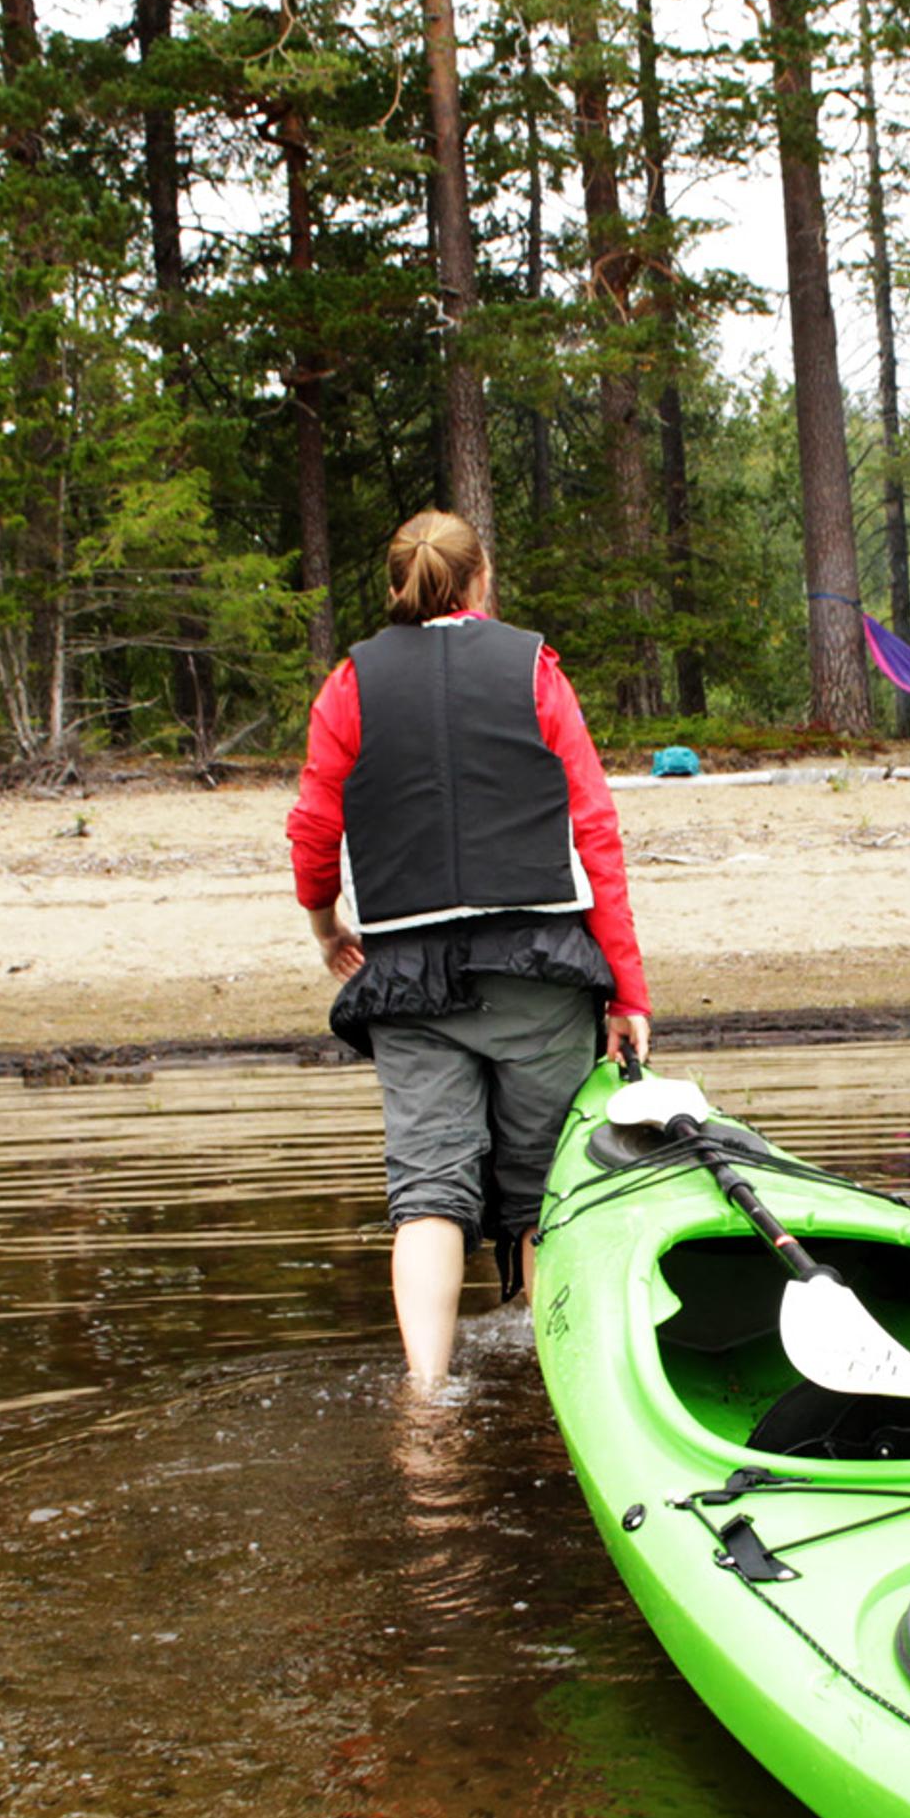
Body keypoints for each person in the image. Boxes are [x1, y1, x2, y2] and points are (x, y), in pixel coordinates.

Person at [286, 510, 652, 1387]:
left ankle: (426, 1400)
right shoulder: (534, 669)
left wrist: (327, 926)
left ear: (397, 589)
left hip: (407, 975)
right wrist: (628, 993)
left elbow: (314, 829)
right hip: (538, 966)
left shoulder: (350, 683)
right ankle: (550, 1381)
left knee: (429, 1195)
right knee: (541, 1190)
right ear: (482, 579)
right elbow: (595, 830)